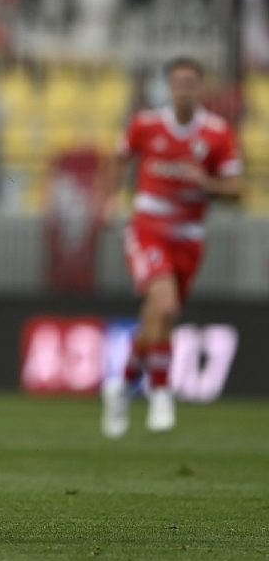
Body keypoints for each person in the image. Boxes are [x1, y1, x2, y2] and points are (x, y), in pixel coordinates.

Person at [100, 57, 242, 439]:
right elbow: (119, 158)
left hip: (190, 235)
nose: (184, 90)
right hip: (148, 225)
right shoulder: (146, 124)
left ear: (201, 88)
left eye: (191, 83)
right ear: (168, 87)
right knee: (166, 306)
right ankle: (160, 391)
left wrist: (206, 182)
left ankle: (121, 385)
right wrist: (113, 200)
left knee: (157, 318)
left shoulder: (217, 133)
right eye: (178, 83)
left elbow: (236, 189)